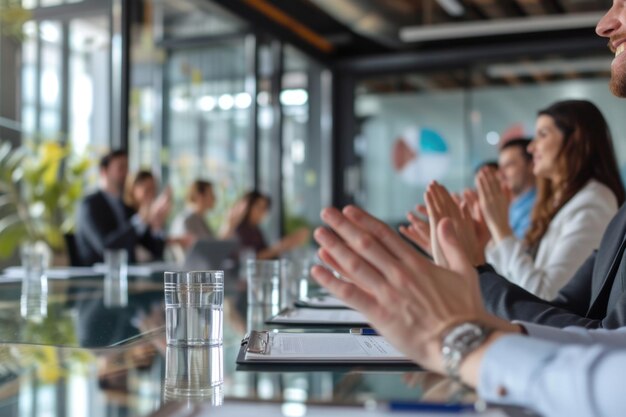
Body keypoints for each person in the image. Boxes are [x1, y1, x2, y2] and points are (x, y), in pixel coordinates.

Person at [311, 205, 625, 417]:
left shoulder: (591, 206)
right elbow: (583, 320)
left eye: (543, 135)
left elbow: (604, 338)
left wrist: (467, 339)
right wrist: (475, 323)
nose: (533, 149)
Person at [476, 101, 624, 300]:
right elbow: (512, 278)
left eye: (542, 134)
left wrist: (502, 230)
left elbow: (546, 297)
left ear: (575, 140)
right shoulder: (559, 202)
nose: (531, 147)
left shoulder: (594, 202)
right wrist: (489, 237)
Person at [75, 150, 170, 266]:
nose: (126, 173)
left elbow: (155, 252)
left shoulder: (126, 205)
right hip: (95, 278)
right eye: (121, 168)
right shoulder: (89, 205)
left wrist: (157, 226)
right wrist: (139, 221)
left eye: (127, 168)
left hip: (128, 275)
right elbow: (106, 247)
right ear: (104, 171)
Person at [233, 190, 309, 259]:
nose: (262, 212)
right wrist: (283, 245)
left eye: (265, 209)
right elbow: (253, 258)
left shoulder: (256, 230)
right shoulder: (239, 231)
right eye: (259, 207)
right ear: (248, 206)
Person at [497, 137, 536, 239]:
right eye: (501, 167)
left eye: (509, 165)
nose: (501, 174)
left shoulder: (540, 207)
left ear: (531, 165)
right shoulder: (510, 207)